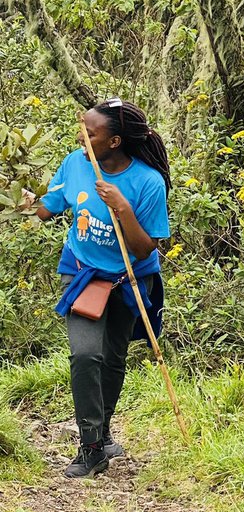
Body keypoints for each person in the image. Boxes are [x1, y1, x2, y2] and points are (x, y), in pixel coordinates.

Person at [28, 99, 171, 479]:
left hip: (129, 279)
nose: (82, 136)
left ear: (114, 141)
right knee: (86, 355)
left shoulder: (147, 183)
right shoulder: (75, 162)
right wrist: (26, 201)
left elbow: (143, 248)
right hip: (82, 274)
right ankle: (91, 446)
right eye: (83, 129)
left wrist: (122, 206)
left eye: (91, 133)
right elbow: (48, 208)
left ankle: (103, 430)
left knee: (112, 359)